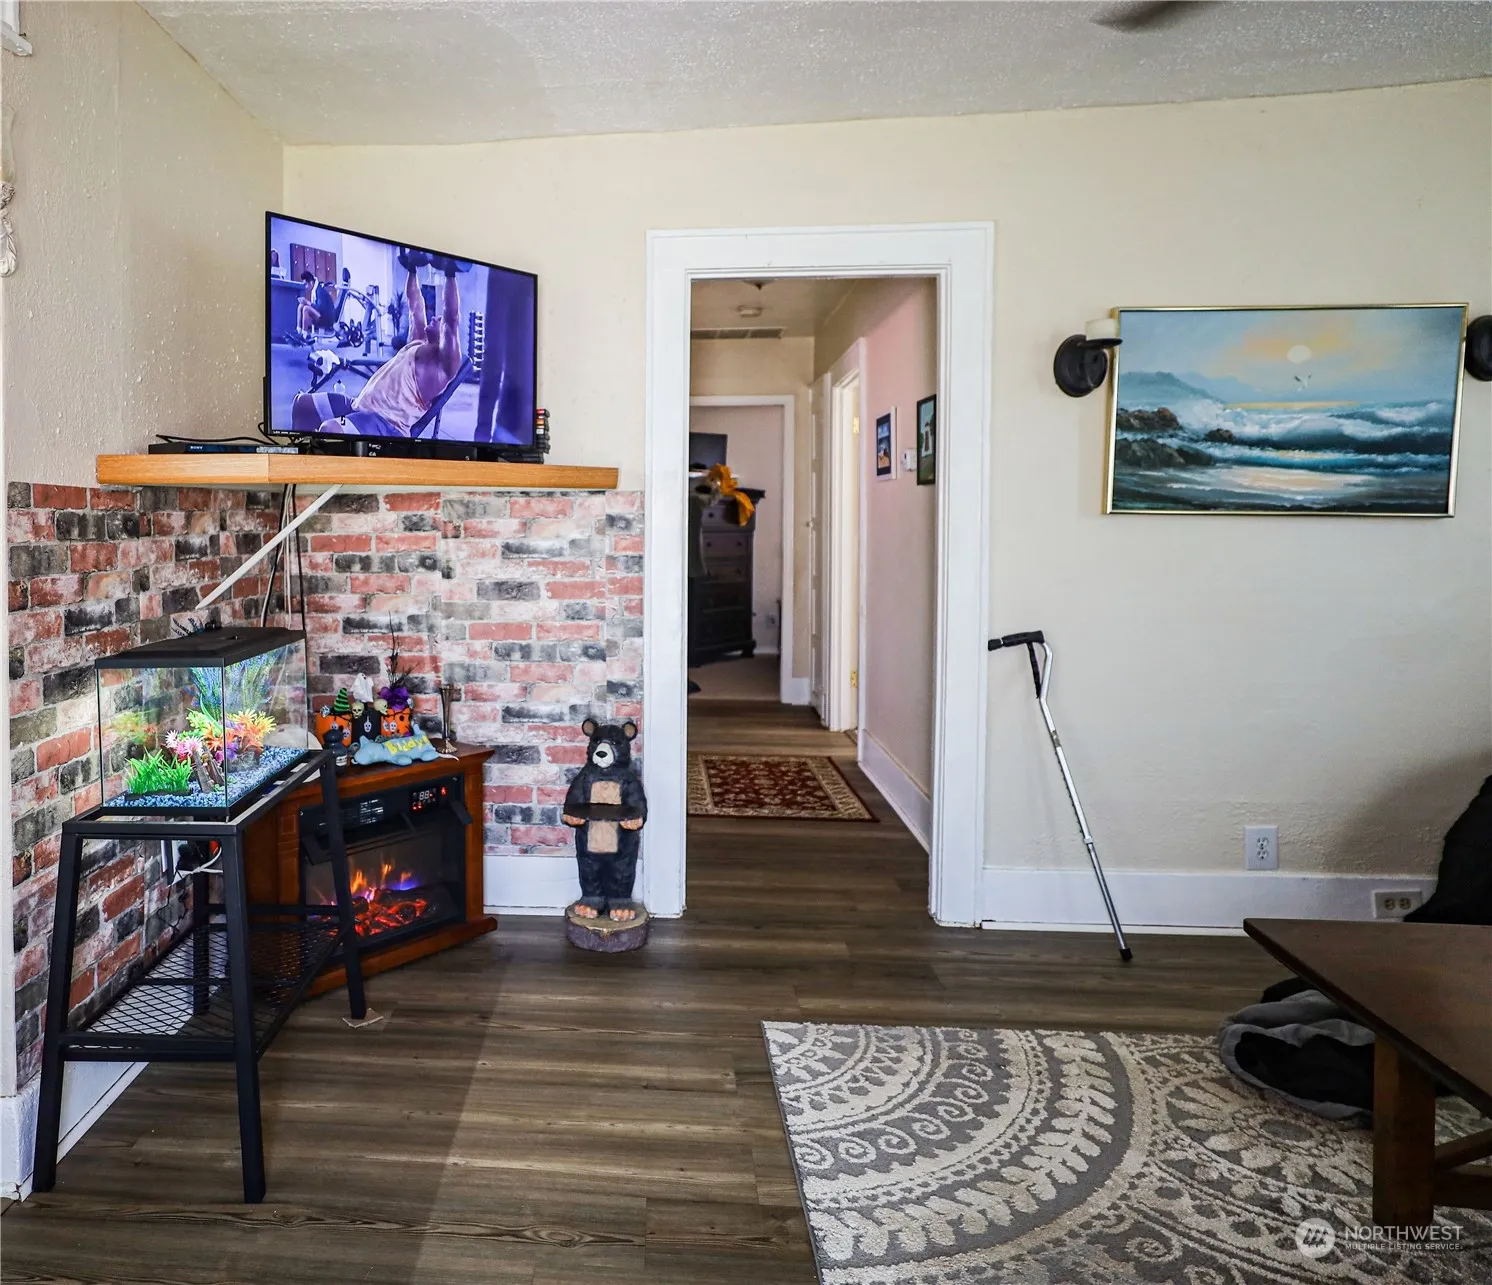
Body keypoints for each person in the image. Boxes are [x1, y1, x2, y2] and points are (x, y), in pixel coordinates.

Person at [291, 251, 465, 437]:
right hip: (359, 406)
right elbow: (415, 304)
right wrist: (412, 269)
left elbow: (451, 317)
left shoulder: (444, 365)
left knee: (330, 429)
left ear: (445, 335)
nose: (435, 318)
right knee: (301, 404)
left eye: (439, 320)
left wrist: (450, 273)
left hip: (385, 423)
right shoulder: (418, 341)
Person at [296, 270, 337, 341]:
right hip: (321, 315)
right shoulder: (315, 289)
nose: (305, 287)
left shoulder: (319, 291)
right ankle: (298, 331)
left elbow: (320, 308)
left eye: (306, 284)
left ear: (311, 282)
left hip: (326, 318)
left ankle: (304, 335)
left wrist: (307, 302)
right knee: (301, 305)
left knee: (306, 309)